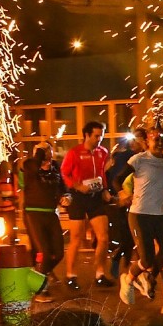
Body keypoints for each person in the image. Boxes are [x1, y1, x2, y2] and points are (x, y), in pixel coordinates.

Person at [117, 127, 163, 314]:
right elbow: (117, 179)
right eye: (156, 139)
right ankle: (128, 279)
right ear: (148, 142)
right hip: (140, 215)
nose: (161, 143)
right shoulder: (139, 160)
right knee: (146, 259)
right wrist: (123, 193)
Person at [60, 121, 114, 290]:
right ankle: (71, 275)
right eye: (97, 136)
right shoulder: (74, 152)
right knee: (77, 238)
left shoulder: (103, 152)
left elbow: (102, 173)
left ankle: (100, 274)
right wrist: (77, 186)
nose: (100, 139)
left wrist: (105, 189)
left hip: (96, 197)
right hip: (78, 197)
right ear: (87, 135)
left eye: (102, 135)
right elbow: (64, 173)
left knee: (104, 237)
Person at [19, 142, 65, 287]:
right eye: (42, 149)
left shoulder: (55, 167)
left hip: (51, 213)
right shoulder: (30, 166)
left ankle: (40, 274)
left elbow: (62, 186)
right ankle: (39, 287)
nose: (46, 152)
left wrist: (66, 196)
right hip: (33, 213)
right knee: (43, 251)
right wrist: (39, 154)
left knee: (58, 253)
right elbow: (29, 170)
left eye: (48, 149)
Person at [106, 129, 146, 278]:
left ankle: (132, 271)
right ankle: (125, 270)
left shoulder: (148, 158)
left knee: (135, 238)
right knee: (129, 238)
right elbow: (115, 178)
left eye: (139, 139)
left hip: (143, 202)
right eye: (134, 139)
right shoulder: (125, 157)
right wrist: (122, 195)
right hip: (127, 203)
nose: (135, 143)